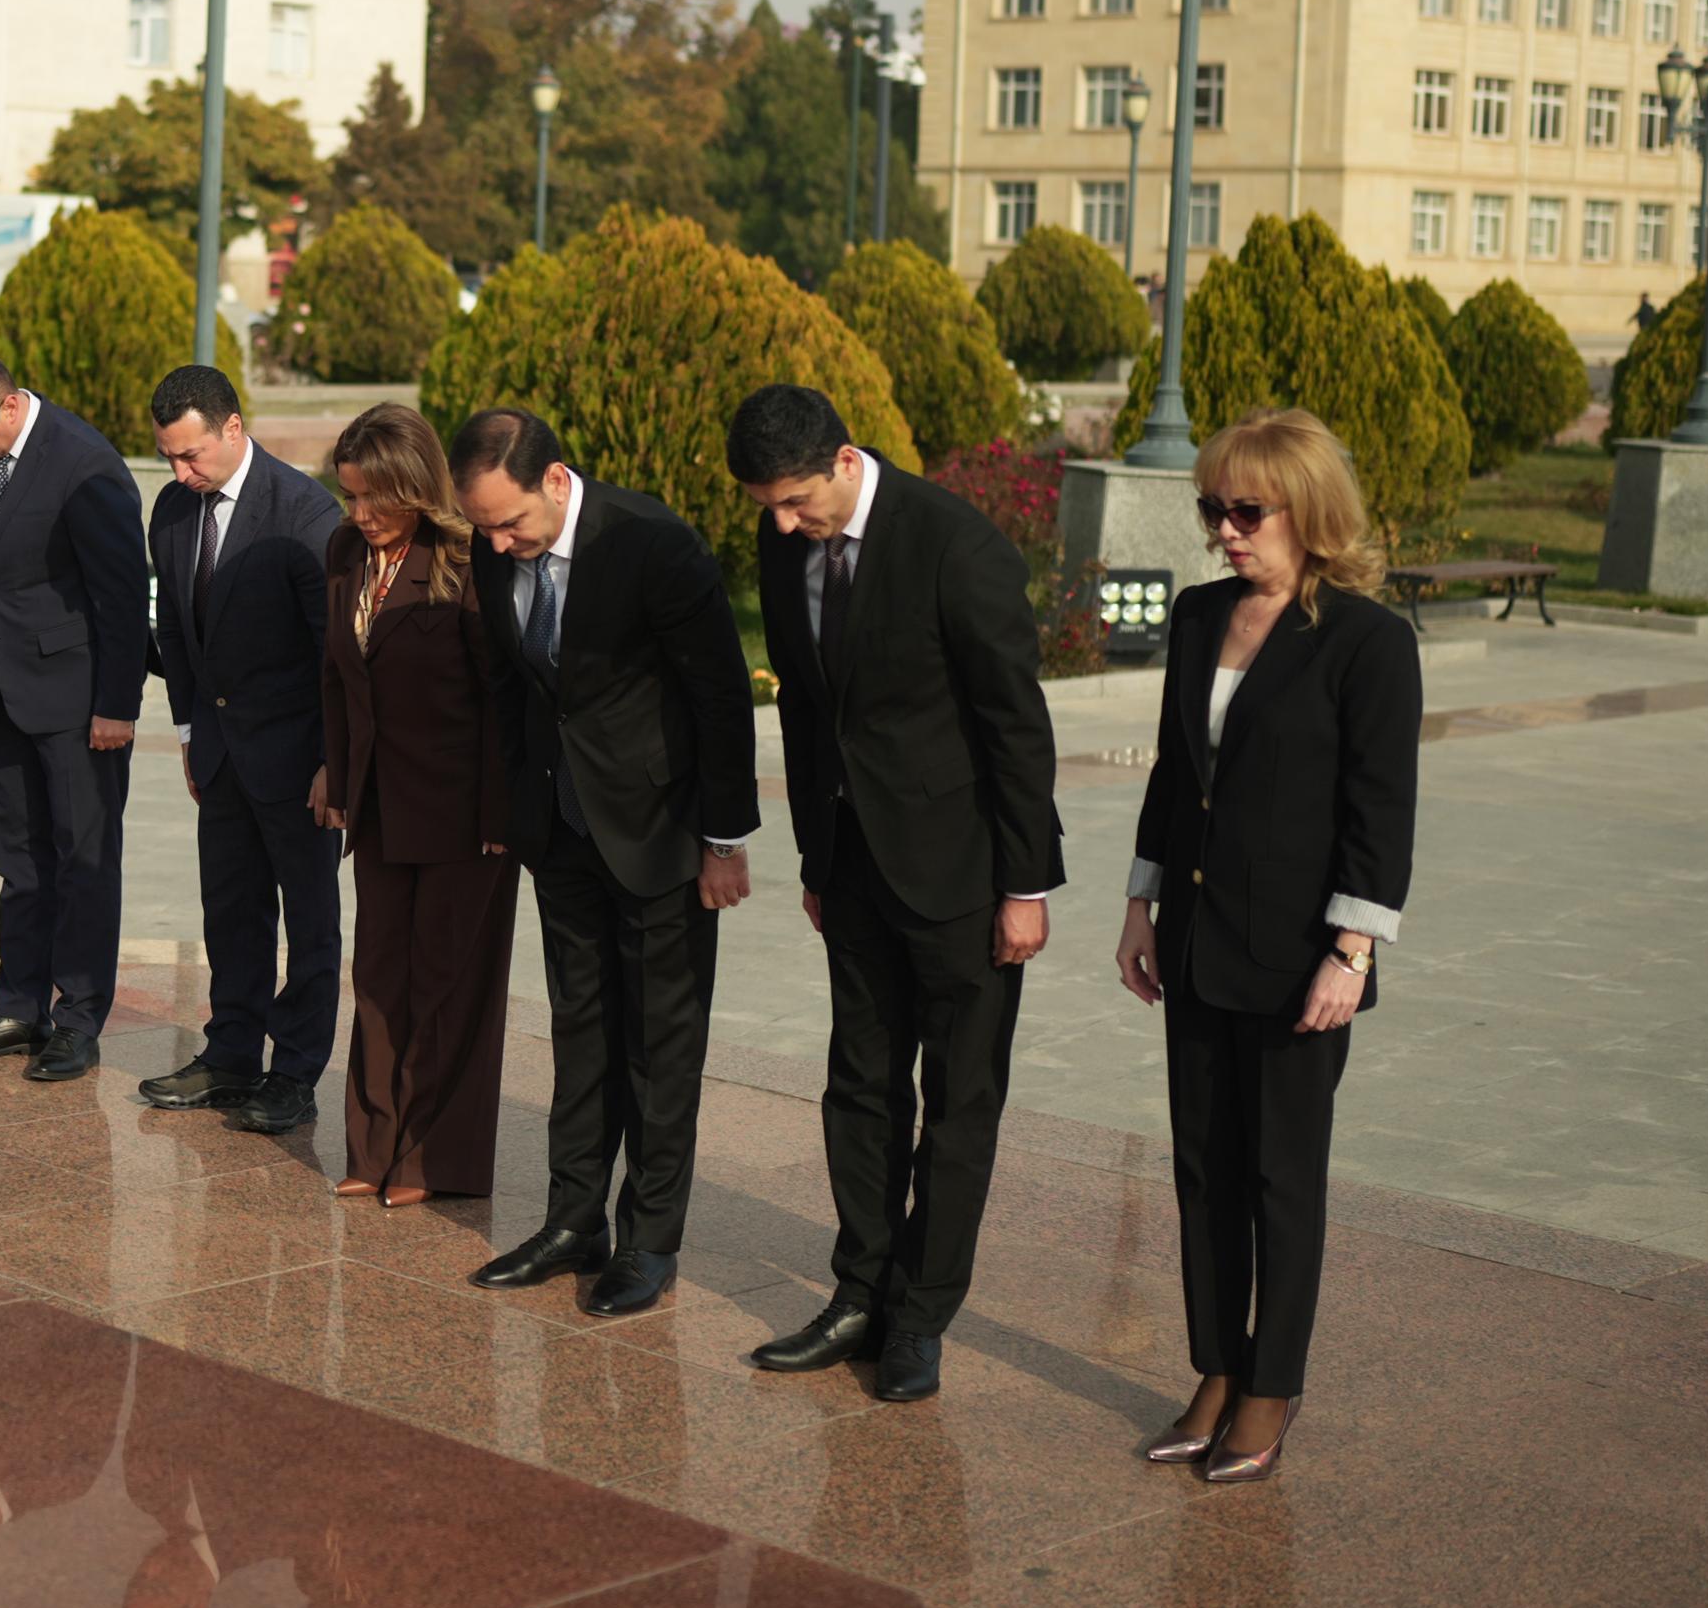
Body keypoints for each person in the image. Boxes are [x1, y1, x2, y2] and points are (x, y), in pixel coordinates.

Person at [724, 383, 1064, 1405]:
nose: (784, 525)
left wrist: (1024, 885)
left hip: (963, 875)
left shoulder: (955, 546)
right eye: (767, 508)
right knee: (860, 1087)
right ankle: (858, 1293)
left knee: (957, 1103)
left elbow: (1015, 726)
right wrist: (816, 861)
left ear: (843, 460)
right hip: (854, 868)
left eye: (795, 501)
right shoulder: (786, 539)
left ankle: (920, 1315)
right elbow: (802, 710)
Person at [1113, 407, 1420, 1485]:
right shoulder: (1200, 615)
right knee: (1203, 1168)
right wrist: (1142, 903)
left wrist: (1351, 953)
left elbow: (1380, 812)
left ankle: (1271, 1383)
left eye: (1247, 511)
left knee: (1280, 1176)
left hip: (1299, 960)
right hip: (1197, 940)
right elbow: (1173, 772)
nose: (1225, 531)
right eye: (1213, 509)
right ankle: (1217, 1365)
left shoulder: (1367, 641)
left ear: (1309, 510)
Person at [447, 408, 759, 1320]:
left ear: (555, 480)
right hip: (562, 832)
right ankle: (572, 1221)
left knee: (660, 1046)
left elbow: (720, 694)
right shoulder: (495, 548)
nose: (497, 543)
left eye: (510, 523)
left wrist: (723, 840)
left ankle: (649, 1241)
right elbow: (509, 688)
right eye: (482, 527)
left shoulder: (651, 542)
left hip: (660, 833)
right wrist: (516, 810)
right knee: (580, 1033)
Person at [307, 403, 520, 1206]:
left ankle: (436, 1161)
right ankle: (374, 1147)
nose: (360, 512)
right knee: (379, 978)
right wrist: (337, 773)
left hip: (466, 814)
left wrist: (501, 814)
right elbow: (336, 674)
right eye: (350, 494)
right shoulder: (344, 552)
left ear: (417, 487)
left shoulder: (467, 559)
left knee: (449, 985)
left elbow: (502, 696)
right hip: (379, 808)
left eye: (376, 497)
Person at [0, 349, 150, 1083]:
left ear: (11, 404)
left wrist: (117, 704)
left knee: (84, 863)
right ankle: (19, 1009)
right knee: (19, 863)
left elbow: (122, 594)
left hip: (77, 702)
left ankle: (78, 1020)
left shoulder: (84, 462)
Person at [137, 363, 345, 1137]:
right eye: (168, 456)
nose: (179, 472)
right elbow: (175, 629)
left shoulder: (303, 512)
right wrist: (190, 732)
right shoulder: (173, 508)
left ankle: (294, 1072)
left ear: (233, 427)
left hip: (299, 759)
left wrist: (333, 762)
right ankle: (230, 1053)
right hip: (221, 750)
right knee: (230, 911)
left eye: (191, 454)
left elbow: (334, 654)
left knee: (310, 922)